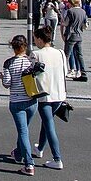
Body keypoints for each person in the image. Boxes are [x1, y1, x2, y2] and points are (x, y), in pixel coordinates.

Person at [29, 26, 68, 171]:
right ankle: (39, 148)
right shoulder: (60, 53)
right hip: (59, 94)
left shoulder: (36, 54)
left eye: (35, 38)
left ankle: (57, 158)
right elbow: (65, 72)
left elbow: (30, 74)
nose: (34, 41)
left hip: (44, 94)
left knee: (49, 124)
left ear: (40, 39)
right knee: (47, 121)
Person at [1, 34, 38, 176]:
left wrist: (3, 78)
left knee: (23, 132)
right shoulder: (31, 61)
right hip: (31, 101)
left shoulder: (8, 63)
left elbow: (7, 84)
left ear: (13, 47)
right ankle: (18, 153)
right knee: (24, 130)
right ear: (25, 46)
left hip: (16, 102)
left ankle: (29, 164)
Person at [61, 0, 88, 81]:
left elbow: (66, 23)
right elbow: (85, 25)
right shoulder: (83, 11)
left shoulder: (70, 11)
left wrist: (62, 21)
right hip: (79, 35)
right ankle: (83, 72)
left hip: (71, 34)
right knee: (80, 55)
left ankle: (62, 72)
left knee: (67, 55)